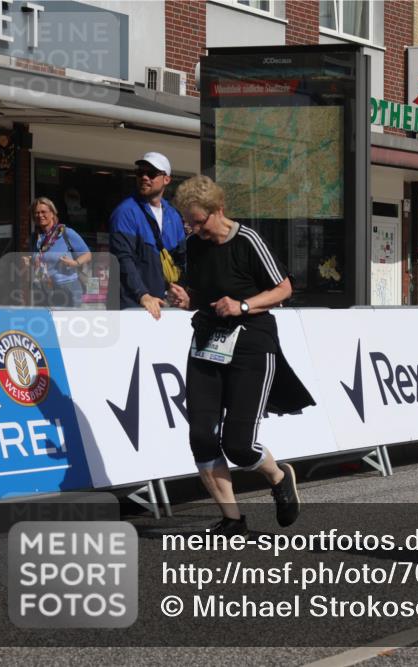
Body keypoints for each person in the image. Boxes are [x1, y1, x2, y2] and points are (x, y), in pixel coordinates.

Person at [167, 175, 314, 536]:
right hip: (207, 343)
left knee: (239, 444)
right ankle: (233, 520)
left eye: (199, 221)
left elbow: (284, 289)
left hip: (251, 343)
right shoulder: (194, 245)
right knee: (201, 435)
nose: (195, 229)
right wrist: (188, 300)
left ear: (218, 210)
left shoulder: (247, 240)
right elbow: (202, 296)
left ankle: (279, 476)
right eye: (189, 222)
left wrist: (243, 305)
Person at [109, 152, 186, 319]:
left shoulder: (173, 215)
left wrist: (181, 290)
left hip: (166, 305)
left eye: (151, 173)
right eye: (140, 173)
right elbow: (123, 258)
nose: (144, 177)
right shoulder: (125, 212)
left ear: (166, 179)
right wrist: (143, 295)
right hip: (134, 306)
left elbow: (181, 258)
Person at [27, 197, 92, 308]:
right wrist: (30, 261)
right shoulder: (35, 238)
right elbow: (39, 261)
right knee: (48, 323)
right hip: (44, 288)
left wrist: (75, 263)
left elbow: (87, 254)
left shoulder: (65, 233)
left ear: (52, 213)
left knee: (69, 323)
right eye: (36, 213)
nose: (40, 215)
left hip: (67, 286)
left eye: (43, 212)